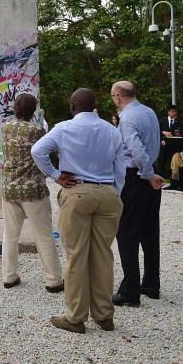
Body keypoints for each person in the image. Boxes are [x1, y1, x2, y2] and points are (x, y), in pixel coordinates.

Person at [31, 88, 126, 334]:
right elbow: (120, 167)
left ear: (73, 107)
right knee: (103, 256)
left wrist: (55, 175)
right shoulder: (111, 130)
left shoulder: (64, 128)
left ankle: (75, 317)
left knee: (76, 255)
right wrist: (114, 192)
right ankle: (104, 316)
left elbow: (37, 151)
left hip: (77, 192)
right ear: (95, 106)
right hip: (107, 194)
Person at [111, 81, 166, 307]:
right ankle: (151, 284)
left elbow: (136, 150)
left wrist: (148, 174)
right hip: (151, 174)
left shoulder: (127, 118)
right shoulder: (149, 112)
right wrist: (153, 173)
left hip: (137, 176)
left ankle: (130, 291)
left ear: (117, 97)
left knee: (127, 232)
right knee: (150, 230)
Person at [1, 94, 63, 292]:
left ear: (15, 108)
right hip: (33, 189)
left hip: (10, 187)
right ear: (33, 110)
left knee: (10, 234)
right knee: (44, 235)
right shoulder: (37, 131)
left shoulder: (5, 127)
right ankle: (53, 280)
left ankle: (9, 276)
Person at [158, 105, 183, 184]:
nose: (174, 113)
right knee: (161, 162)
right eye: (172, 111)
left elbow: (181, 132)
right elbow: (156, 131)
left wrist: (176, 135)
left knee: (172, 163)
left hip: (173, 146)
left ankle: (173, 181)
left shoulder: (179, 121)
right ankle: (159, 180)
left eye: (175, 111)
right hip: (163, 144)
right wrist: (163, 133)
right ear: (168, 112)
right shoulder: (162, 120)